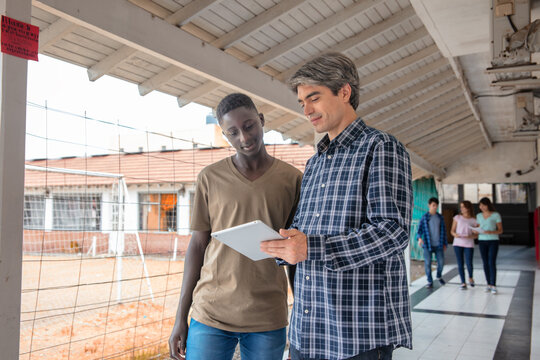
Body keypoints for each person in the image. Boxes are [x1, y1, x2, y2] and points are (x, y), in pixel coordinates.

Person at [260, 52, 413, 360]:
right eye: (302, 102)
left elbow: (393, 232)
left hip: (356, 334)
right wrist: (288, 245)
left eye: (314, 98)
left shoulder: (381, 147)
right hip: (308, 330)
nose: (307, 110)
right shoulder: (314, 163)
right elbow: (306, 236)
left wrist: (312, 248)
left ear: (344, 92)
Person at [168, 93, 302, 360]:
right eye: (233, 132)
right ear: (224, 134)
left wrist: (301, 309)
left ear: (261, 120)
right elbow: (197, 245)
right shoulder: (210, 178)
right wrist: (180, 318)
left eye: (249, 125)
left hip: (268, 316)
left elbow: (296, 252)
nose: (244, 137)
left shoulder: (292, 179)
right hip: (211, 313)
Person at [416, 197, 448, 289]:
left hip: (439, 244)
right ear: (429, 205)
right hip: (427, 245)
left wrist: (445, 243)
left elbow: (444, 231)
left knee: (441, 262)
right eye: (433, 205)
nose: (435, 207)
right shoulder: (425, 217)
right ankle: (429, 281)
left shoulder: (440, 217)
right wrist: (419, 239)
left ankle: (439, 276)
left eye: (436, 205)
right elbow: (419, 231)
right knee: (427, 263)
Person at [476, 197, 503, 294]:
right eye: (480, 205)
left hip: (493, 241)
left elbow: (500, 230)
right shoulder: (478, 215)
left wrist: (490, 232)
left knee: (491, 262)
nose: (481, 207)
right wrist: (475, 230)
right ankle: (488, 284)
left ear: (488, 205)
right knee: (485, 262)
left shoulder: (496, 215)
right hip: (482, 241)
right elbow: (478, 227)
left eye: (483, 205)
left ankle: (493, 285)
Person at [450, 200, 478, 290]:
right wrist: (455, 235)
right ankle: (463, 282)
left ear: (468, 208)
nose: (461, 208)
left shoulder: (474, 220)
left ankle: (470, 277)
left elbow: (476, 235)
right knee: (460, 263)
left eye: (463, 207)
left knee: (469, 262)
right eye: (461, 207)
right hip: (458, 243)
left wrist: (471, 235)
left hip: (469, 243)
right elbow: (452, 231)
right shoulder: (457, 217)